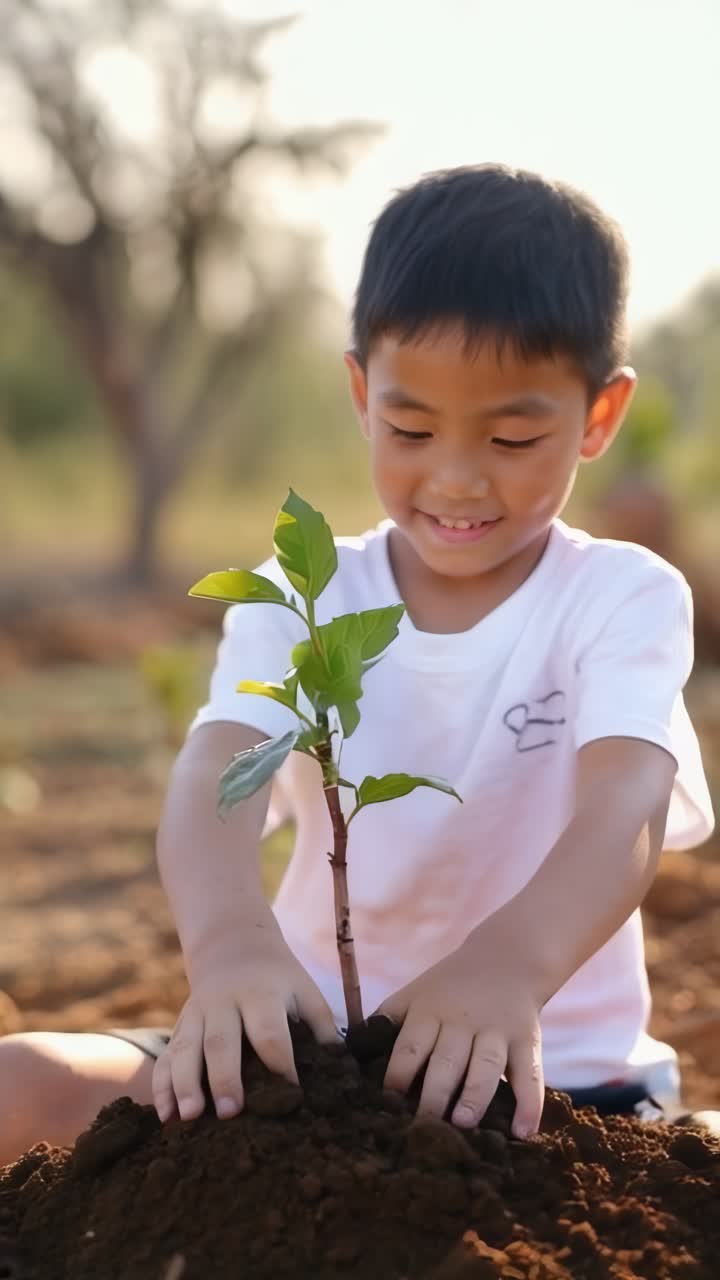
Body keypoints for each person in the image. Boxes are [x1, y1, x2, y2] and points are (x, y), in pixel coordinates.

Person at [1, 164, 715, 1168]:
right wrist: (231, 948)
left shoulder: (620, 597)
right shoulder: (306, 595)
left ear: (598, 417)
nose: (458, 475)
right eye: (411, 427)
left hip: (551, 1086)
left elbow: (629, 801)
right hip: (300, 1068)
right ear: (359, 391)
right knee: (20, 1083)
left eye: (514, 434)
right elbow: (214, 770)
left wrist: (505, 966)